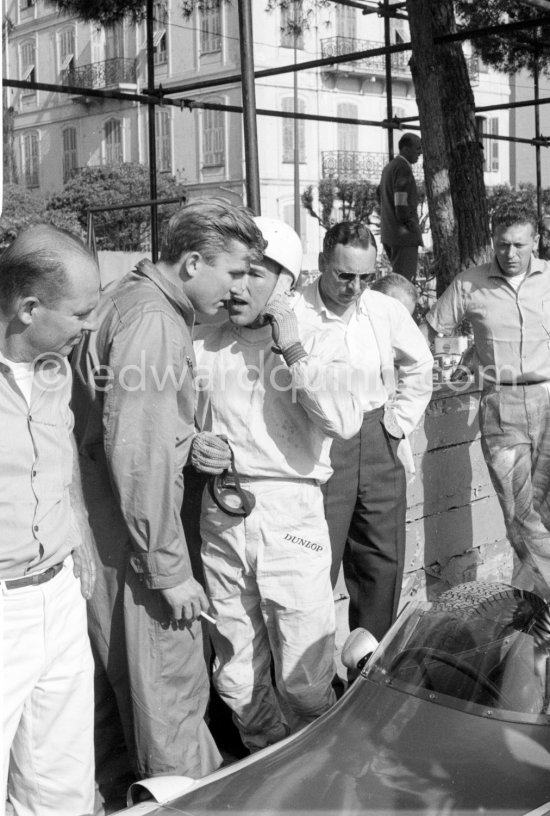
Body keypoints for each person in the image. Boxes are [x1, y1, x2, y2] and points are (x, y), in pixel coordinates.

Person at [71, 200, 266, 808]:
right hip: (140, 552)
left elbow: (134, 429)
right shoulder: (154, 321)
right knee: (171, 701)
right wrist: (169, 570)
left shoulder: (125, 299)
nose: (242, 290)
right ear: (189, 263)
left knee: (123, 704)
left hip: (106, 534)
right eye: (235, 273)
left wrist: (188, 440)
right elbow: (139, 452)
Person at [193, 216, 362, 753]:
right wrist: (194, 447)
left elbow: (343, 418)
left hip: (291, 514)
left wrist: (292, 348)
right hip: (222, 510)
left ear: (287, 283)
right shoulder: (201, 344)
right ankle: (269, 773)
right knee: (237, 678)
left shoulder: (321, 340)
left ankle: (324, 774)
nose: (239, 287)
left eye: (257, 274)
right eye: (234, 272)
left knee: (305, 680)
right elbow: (177, 424)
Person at [0, 224, 100, 816]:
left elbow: (61, 466)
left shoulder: (53, 369)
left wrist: (79, 543)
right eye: (80, 313)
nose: (88, 327)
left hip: (58, 595)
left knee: (60, 784)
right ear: (28, 307)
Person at [295, 221, 433, 643]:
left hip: (376, 437)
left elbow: (420, 364)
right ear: (322, 264)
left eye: (365, 277)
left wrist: (396, 426)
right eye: (344, 275)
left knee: (381, 559)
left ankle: (367, 666)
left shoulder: (382, 309)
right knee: (317, 561)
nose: (355, 287)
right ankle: (314, 680)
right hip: (318, 443)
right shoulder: (293, 311)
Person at [425, 201, 550, 599]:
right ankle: (543, 600)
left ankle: (529, 606)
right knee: (518, 514)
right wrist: (451, 363)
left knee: (545, 513)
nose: (509, 254)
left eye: (518, 245)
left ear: (535, 241)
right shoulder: (469, 284)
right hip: (502, 405)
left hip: (548, 398)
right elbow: (427, 332)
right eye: (501, 245)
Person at [378, 132, 424, 281]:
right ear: (405, 149)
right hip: (403, 238)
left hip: (389, 234)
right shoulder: (403, 168)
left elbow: (378, 195)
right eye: (418, 148)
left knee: (399, 281)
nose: (420, 152)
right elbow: (401, 204)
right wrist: (413, 226)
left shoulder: (389, 167)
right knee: (405, 284)